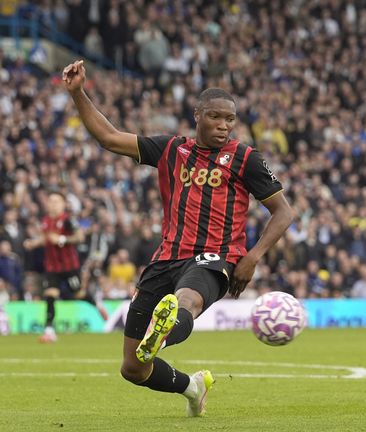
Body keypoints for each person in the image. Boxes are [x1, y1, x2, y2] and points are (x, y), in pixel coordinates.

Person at [62, 60, 295, 417]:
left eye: (230, 119)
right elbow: (109, 138)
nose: (223, 125)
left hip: (215, 256)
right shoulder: (171, 149)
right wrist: (78, 92)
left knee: (186, 301)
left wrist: (252, 257)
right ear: (197, 115)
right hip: (166, 258)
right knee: (133, 368)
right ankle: (192, 387)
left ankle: (164, 331)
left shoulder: (245, 158)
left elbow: (283, 212)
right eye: (215, 117)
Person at [23, 191, 105, 343]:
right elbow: (46, 239)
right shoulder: (46, 220)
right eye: (50, 201)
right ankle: (49, 331)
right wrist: (33, 243)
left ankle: (97, 304)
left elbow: (80, 237)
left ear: (63, 204)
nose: (53, 204)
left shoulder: (68, 220)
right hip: (52, 266)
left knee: (78, 293)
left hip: (69, 266)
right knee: (50, 294)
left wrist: (61, 239)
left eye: (56, 201)